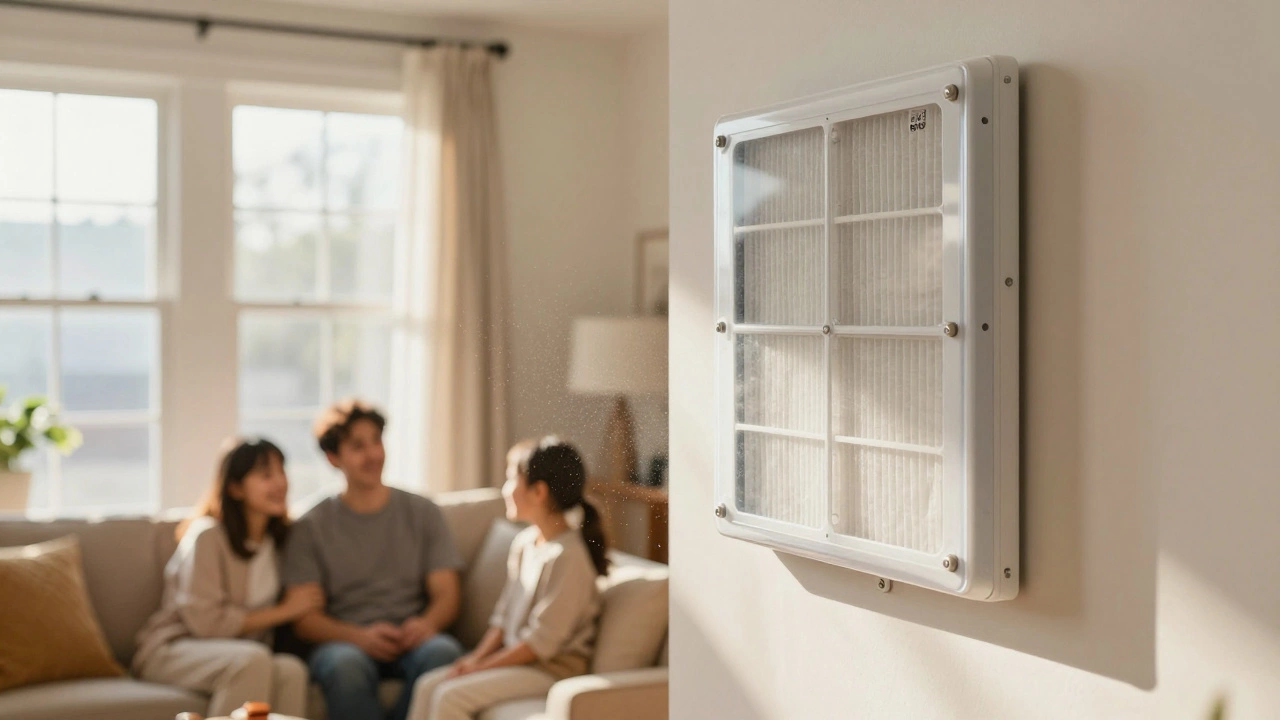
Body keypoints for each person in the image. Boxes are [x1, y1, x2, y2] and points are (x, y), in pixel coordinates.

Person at [283, 400, 465, 720]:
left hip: (412, 639)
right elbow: (305, 620)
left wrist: (426, 624)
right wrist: (358, 637)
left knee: (444, 652)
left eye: (376, 441)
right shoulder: (310, 526)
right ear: (333, 458)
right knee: (344, 665)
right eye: (358, 446)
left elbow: (447, 594)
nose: (374, 455)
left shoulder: (423, 512)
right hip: (344, 643)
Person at [407, 437, 607, 720]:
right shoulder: (525, 543)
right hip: (521, 665)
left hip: (550, 670)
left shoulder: (568, 557)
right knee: (429, 685)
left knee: (450, 695)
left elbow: (540, 644)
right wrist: (475, 658)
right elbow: (502, 619)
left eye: (511, 478)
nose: (505, 490)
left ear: (539, 491)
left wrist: (481, 669)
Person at [134, 438, 320, 717]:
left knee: (291, 670)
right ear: (235, 488)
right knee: (252, 660)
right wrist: (285, 611)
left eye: (282, 472)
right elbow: (207, 624)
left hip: (242, 654)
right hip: (174, 649)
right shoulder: (207, 536)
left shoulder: (281, 541)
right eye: (266, 475)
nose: (280, 483)